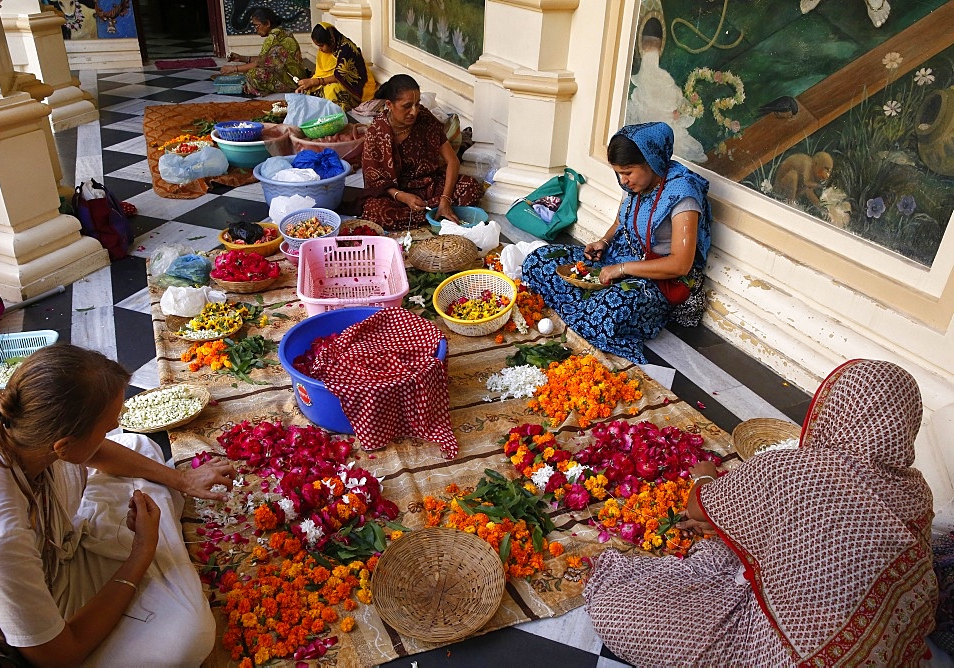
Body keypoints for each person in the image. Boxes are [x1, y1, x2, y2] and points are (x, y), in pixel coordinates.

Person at [584, 358, 938, 666]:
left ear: (835, 411)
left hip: (789, 652)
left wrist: (705, 475)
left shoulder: (794, 470)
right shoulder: (917, 491)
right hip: (885, 644)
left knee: (615, 610)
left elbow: (697, 506)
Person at [0, 343, 237, 666]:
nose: (114, 428)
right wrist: (142, 551)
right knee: (189, 635)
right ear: (62, 446)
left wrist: (182, 480)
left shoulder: (11, 420)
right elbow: (58, 656)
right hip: (34, 617)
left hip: (55, 542)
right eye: (106, 426)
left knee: (137, 445)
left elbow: (98, 451)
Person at [522, 122, 711, 364]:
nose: (623, 181)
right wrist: (603, 241)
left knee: (608, 312)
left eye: (628, 172)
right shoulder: (635, 183)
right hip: (619, 256)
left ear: (652, 161)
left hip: (657, 280)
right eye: (619, 173)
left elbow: (680, 265)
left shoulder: (682, 194)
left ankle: (583, 308)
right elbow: (621, 220)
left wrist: (621, 270)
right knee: (539, 260)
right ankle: (583, 307)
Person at [360, 74, 484, 230]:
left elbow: (453, 161)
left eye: (417, 104)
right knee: (374, 211)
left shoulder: (425, 119)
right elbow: (375, 182)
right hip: (397, 195)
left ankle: (436, 210)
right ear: (389, 105)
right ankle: (433, 213)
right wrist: (404, 197)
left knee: (471, 187)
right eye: (407, 106)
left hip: (429, 187)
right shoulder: (376, 132)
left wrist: (445, 199)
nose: (414, 112)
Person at [221, 7, 307, 97]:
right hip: (296, 76)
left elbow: (258, 63)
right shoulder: (283, 33)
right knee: (249, 70)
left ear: (267, 23)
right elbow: (265, 59)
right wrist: (241, 58)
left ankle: (261, 90)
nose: (255, 29)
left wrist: (233, 69)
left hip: (292, 81)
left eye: (257, 25)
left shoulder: (272, 38)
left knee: (252, 74)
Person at [294, 22, 376, 111]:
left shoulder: (347, 49)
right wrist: (308, 84)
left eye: (321, 45)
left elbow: (340, 76)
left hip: (356, 86)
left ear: (331, 40)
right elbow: (320, 74)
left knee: (331, 92)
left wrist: (315, 82)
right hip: (328, 81)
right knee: (307, 91)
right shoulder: (326, 50)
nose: (320, 49)